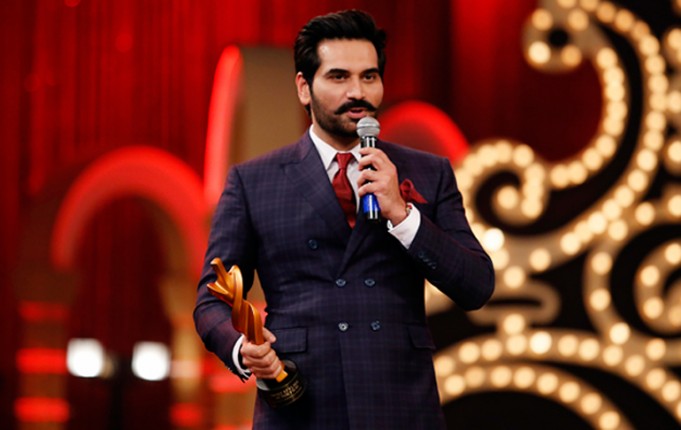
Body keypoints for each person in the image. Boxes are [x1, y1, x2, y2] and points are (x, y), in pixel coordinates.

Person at [194, 9, 494, 429]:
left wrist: (402, 215)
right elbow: (211, 298)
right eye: (339, 77)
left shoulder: (429, 172)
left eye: (369, 77)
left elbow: (476, 284)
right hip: (301, 403)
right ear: (304, 88)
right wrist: (241, 348)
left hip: (400, 402)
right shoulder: (253, 181)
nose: (358, 92)